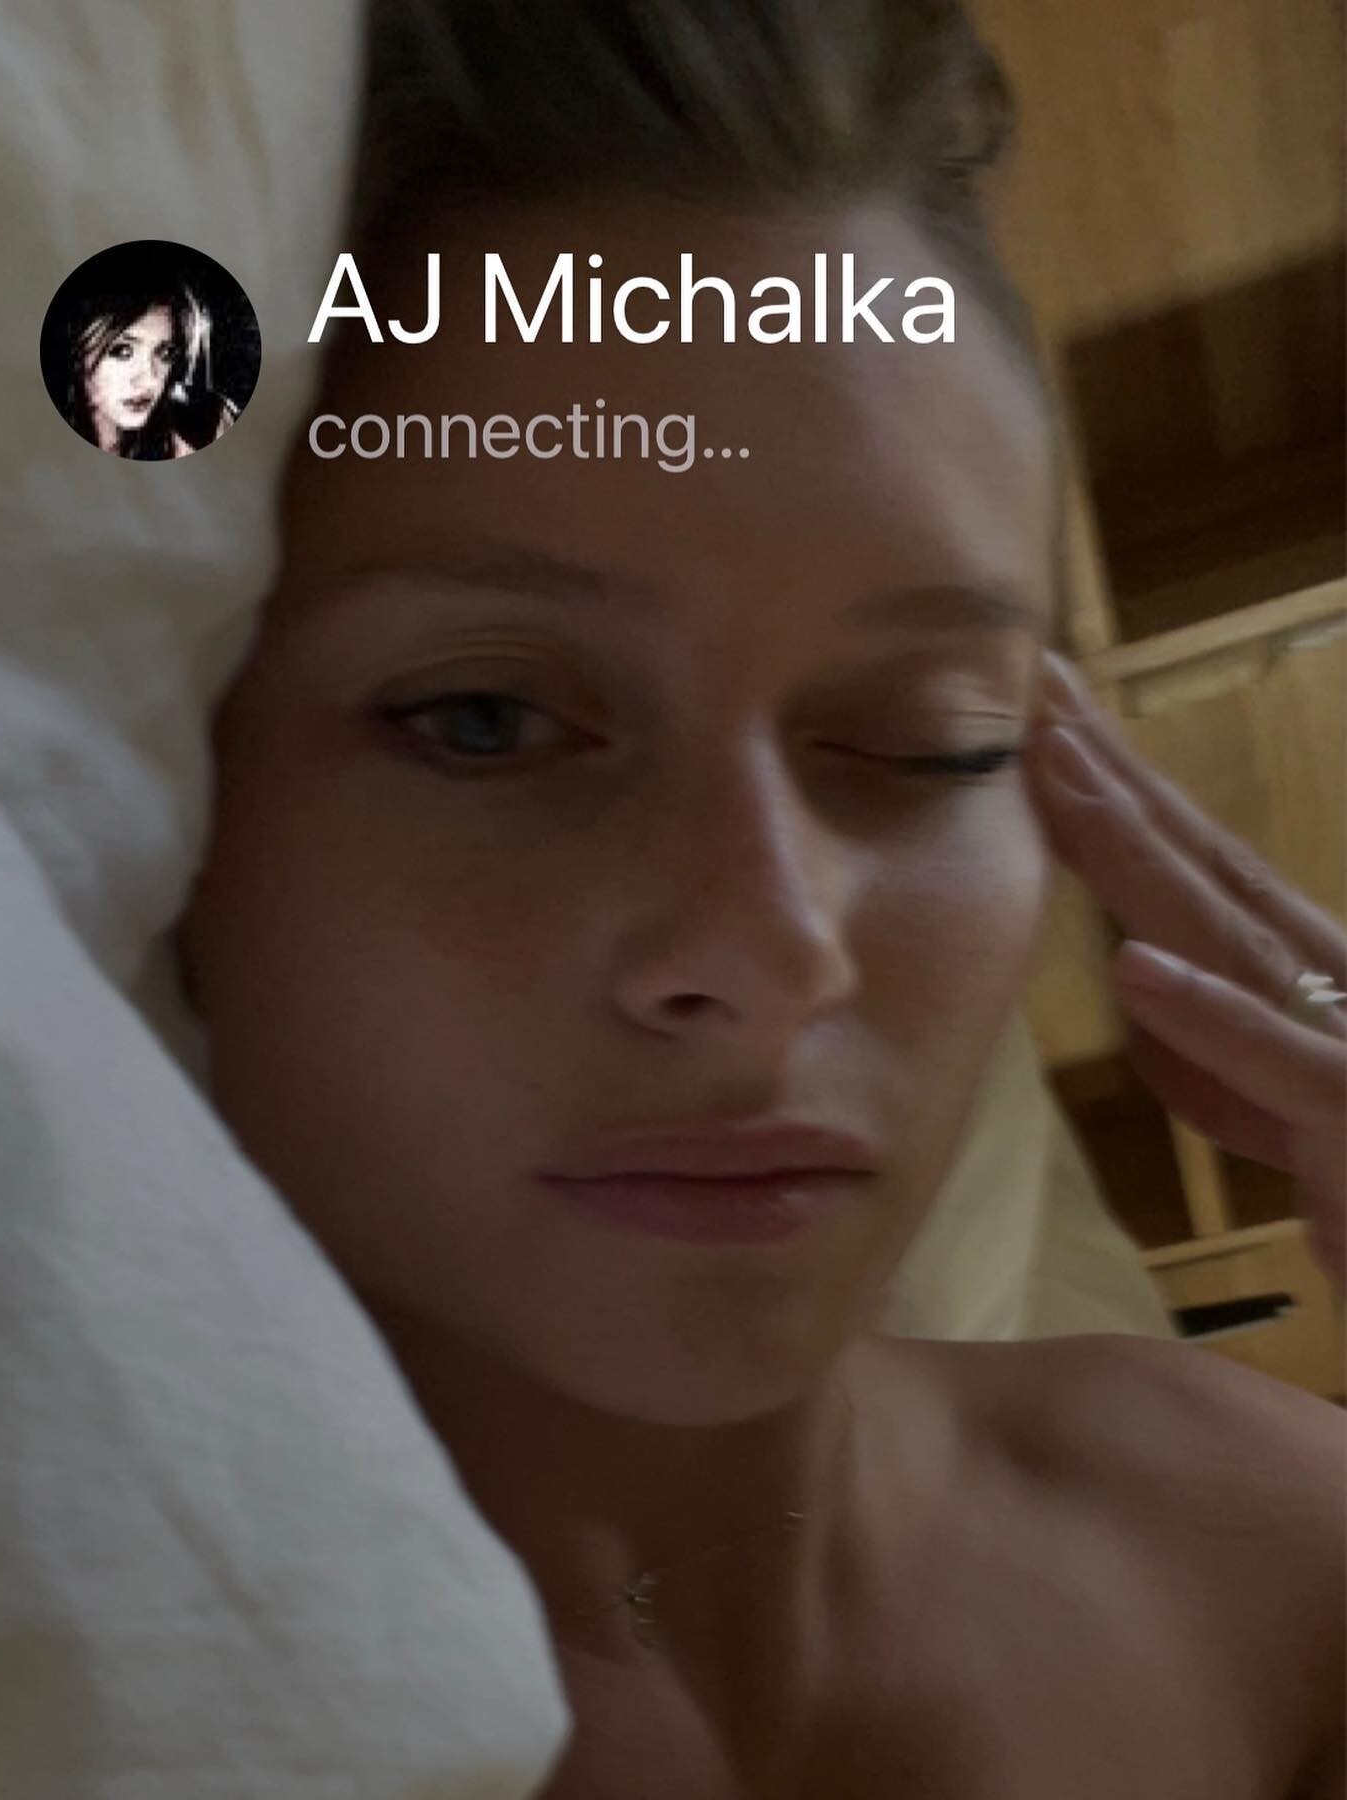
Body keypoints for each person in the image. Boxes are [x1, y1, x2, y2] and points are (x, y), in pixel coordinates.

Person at [179, 2, 1346, 1793]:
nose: (779, 950)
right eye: (485, 720)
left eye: (928, 740)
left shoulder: (1274, 1547)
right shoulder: (4, 1682)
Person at [42, 244, 238, 459]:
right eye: (122, 351)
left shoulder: (202, 428)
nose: (151, 380)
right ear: (74, 352)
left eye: (165, 353)